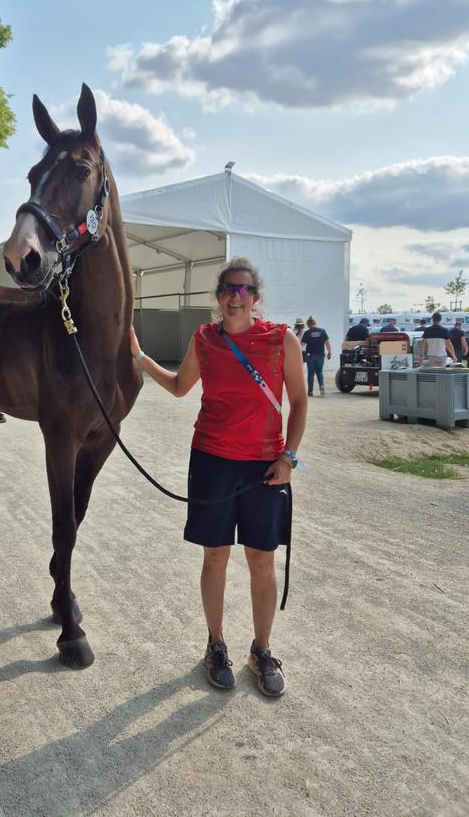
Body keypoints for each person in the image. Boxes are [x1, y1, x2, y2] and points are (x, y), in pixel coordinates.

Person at [129, 257, 307, 697]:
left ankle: (261, 651)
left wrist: (289, 458)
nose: (235, 296)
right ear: (218, 296)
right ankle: (216, 644)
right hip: (211, 460)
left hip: (265, 467)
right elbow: (178, 387)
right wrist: (139, 358)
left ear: (256, 297)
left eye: (244, 289)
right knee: (215, 557)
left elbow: (300, 402)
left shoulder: (281, 340)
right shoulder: (205, 339)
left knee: (261, 560)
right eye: (228, 288)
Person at [301, 316, 332, 397]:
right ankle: (322, 388)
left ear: (308, 324)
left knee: (311, 373)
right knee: (319, 372)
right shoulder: (322, 331)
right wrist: (329, 352)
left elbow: (302, 344)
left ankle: (310, 391)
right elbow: (327, 342)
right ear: (314, 323)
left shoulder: (307, 333)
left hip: (310, 356)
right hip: (320, 355)